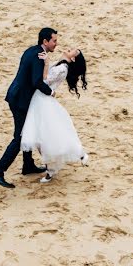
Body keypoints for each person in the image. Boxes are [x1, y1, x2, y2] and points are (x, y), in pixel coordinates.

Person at [0, 28, 58, 188]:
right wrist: (51, 92)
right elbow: (37, 82)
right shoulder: (38, 56)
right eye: (54, 40)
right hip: (20, 101)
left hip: (17, 96)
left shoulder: (32, 51)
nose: (56, 43)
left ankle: (28, 165)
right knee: (20, 137)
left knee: (28, 132)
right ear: (45, 42)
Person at [20, 48, 89, 183]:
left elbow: (44, 81)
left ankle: (53, 169)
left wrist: (46, 63)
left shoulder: (63, 68)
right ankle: (53, 168)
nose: (69, 49)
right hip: (39, 100)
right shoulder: (61, 64)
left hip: (42, 101)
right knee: (43, 136)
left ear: (73, 58)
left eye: (73, 51)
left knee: (47, 136)